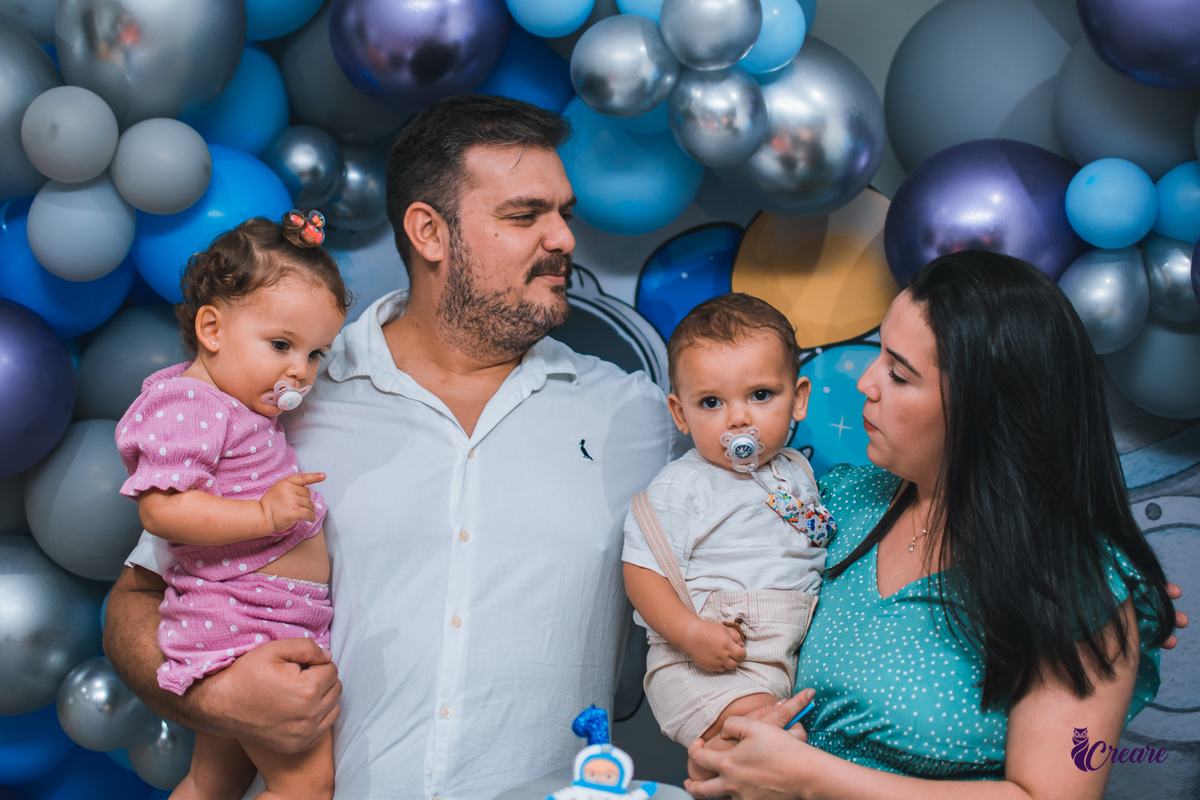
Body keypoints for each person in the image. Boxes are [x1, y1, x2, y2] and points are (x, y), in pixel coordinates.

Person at [103, 95, 677, 800]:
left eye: (564, 213)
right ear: (429, 231)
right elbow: (138, 598)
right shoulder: (282, 396)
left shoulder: (637, 417)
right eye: (525, 214)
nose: (562, 237)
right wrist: (218, 698)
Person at [684, 251, 1184, 799]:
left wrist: (806, 777)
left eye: (899, 374)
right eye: (879, 354)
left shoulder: (1077, 586)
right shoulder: (837, 505)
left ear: (987, 409)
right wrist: (727, 746)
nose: (866, 383)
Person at [114, 212, 349, 800]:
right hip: (241, 619)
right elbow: (162, 510)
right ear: (212, 329)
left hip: (260, 617)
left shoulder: (238, 408)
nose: (300, 371)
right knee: (307, 786)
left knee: (212, 782)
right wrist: (263, 516)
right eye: (281, 345)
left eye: (316, 354)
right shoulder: (191, 404)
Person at [622, 294, 834, 746]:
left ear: (798, 399)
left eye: (760, 395)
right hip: (704, 661)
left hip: (782, 653)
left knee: (761, 750)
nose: (738, 418)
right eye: (711, 402)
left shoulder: (796, 471)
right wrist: (691, 633)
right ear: (681, 414)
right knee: (770, 739)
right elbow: (642, 573)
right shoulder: (684, 485)